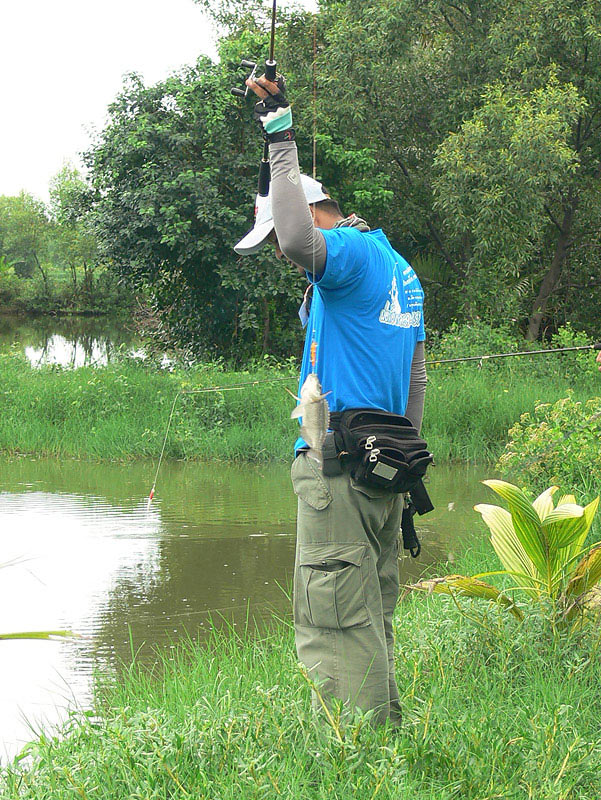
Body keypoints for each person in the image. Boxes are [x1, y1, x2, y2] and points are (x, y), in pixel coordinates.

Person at [234, 74, 427, 726]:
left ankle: (356, 760)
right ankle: (385, 744)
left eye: (276, 239)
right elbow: (416, 382)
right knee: (367, 615)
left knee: (333, 621)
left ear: (316, 210)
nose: (280, 256)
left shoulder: (340, 253)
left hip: (338, 470)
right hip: (382, 469)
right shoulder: (396, 267)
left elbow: (297, 241)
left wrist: (278, 134)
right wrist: (402, 477)